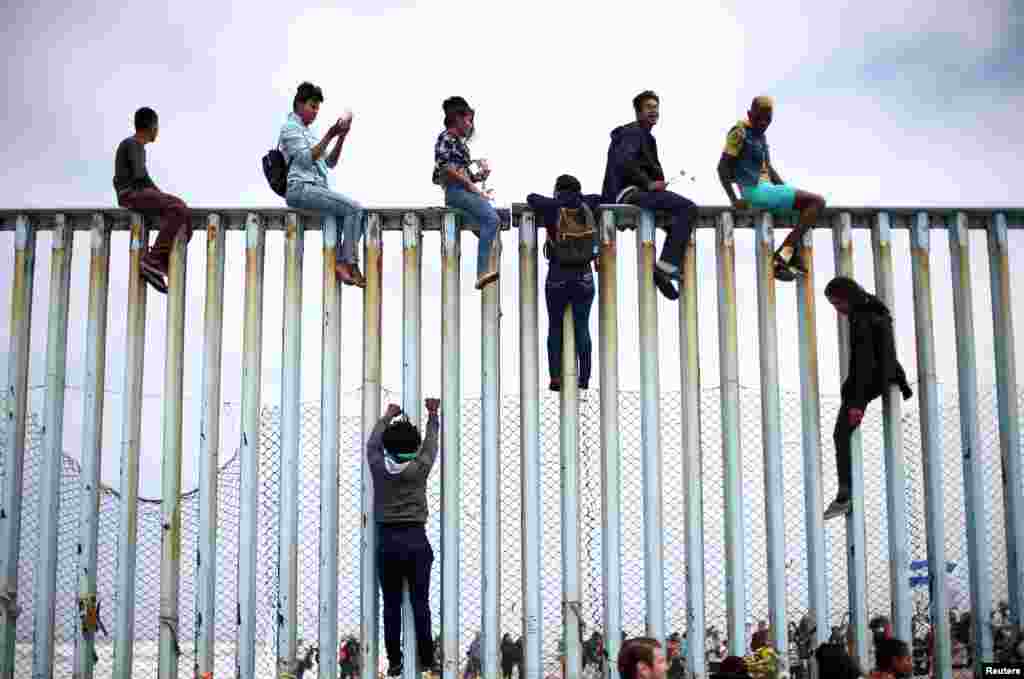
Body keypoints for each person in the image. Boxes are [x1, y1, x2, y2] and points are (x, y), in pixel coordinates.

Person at [823, 276, 913, 519]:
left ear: (847, 296)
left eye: (837, 303)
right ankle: (846, 494)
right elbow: (885, 350)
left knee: (841, 434)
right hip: (885, 375)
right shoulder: (874, 307)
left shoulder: (861, 317)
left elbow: (864, 360)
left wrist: (857, 403)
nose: (838, 309)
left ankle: (845, 496)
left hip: (871, 381)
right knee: (843, 432)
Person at [367, 398, 441, 676]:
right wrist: (432, 415)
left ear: (388, 445)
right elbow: (431, 446)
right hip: (416, 539)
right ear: (414, 445)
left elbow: (371, 445)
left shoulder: (378, 467)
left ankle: (395, 661)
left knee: (391, 604)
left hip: (388, 542)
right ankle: (426, 659)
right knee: (420, 603)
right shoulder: (418, 468)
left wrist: (387, 416)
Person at [601, 90, 699, 301]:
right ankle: (665, 268)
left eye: (656, 107)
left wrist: (658, 184)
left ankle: (667, 268)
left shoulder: (646, 137)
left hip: (637, 192)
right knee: (688, 208)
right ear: (638, 112)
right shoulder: (632, 132)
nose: (654, 111)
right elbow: (625, 162)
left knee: (677, 224)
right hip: (630, 193)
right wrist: (649, 183)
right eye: (649, 107)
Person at [717, 96, 827, 281]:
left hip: (767, 189)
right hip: (754, 191)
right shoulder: (739, 132)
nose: (763, 123)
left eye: (767, 119)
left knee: (806, 207)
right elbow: (722, 168)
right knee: (817, 201)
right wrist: (734, 199)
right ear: (749, 114)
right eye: (759, 118)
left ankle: (791, 255)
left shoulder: (761, 136)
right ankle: (784, 253)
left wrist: (786, 189)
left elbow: (769, 168)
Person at [279, 81, 366, 287]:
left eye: (317, 108)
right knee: (354, 209)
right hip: (300, 188)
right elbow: (305, 159)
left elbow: (329, 163)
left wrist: (341, 138)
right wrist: (330, 134)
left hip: (315, 188)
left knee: (354, 214)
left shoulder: (308, 132)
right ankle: (347, 262)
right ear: (299, 104)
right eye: (312, 106)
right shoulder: (289, 128)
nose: (315, 112)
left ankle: (342, 263)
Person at [527, 175, 602, 392]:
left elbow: (531, 198)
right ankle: (585, 377)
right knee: (582, 327)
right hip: (584, 277)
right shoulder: (587, 205)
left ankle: (556, 378)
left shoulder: (552, 207)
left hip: (557, 277)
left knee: (555, 326)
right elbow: (600, 197)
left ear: (557, 190)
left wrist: (556, 200)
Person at [113, 106, 192, 294]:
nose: (157, 131)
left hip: (134, 194)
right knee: (179, 209)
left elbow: (143, 179)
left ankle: (159, 263)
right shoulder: (134, 144)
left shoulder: (133, 145)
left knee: (184, 214)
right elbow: (141, 178)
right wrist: (162, 198)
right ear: (152, 126)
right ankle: (153, 259)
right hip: (131, 195)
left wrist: (162, 198)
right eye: (157, 126)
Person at [434, 96, 500, 290]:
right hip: (457, 192)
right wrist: (471, 187)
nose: (470, 125)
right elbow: (445, 167)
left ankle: (486, 269)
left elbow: (466, 174)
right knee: (492, 220)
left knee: (486, 227)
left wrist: (480, 176)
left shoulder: (460, 144)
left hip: (461, 193)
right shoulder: (445, 137)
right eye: (468, 120)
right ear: (458, 119)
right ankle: (481, 272)